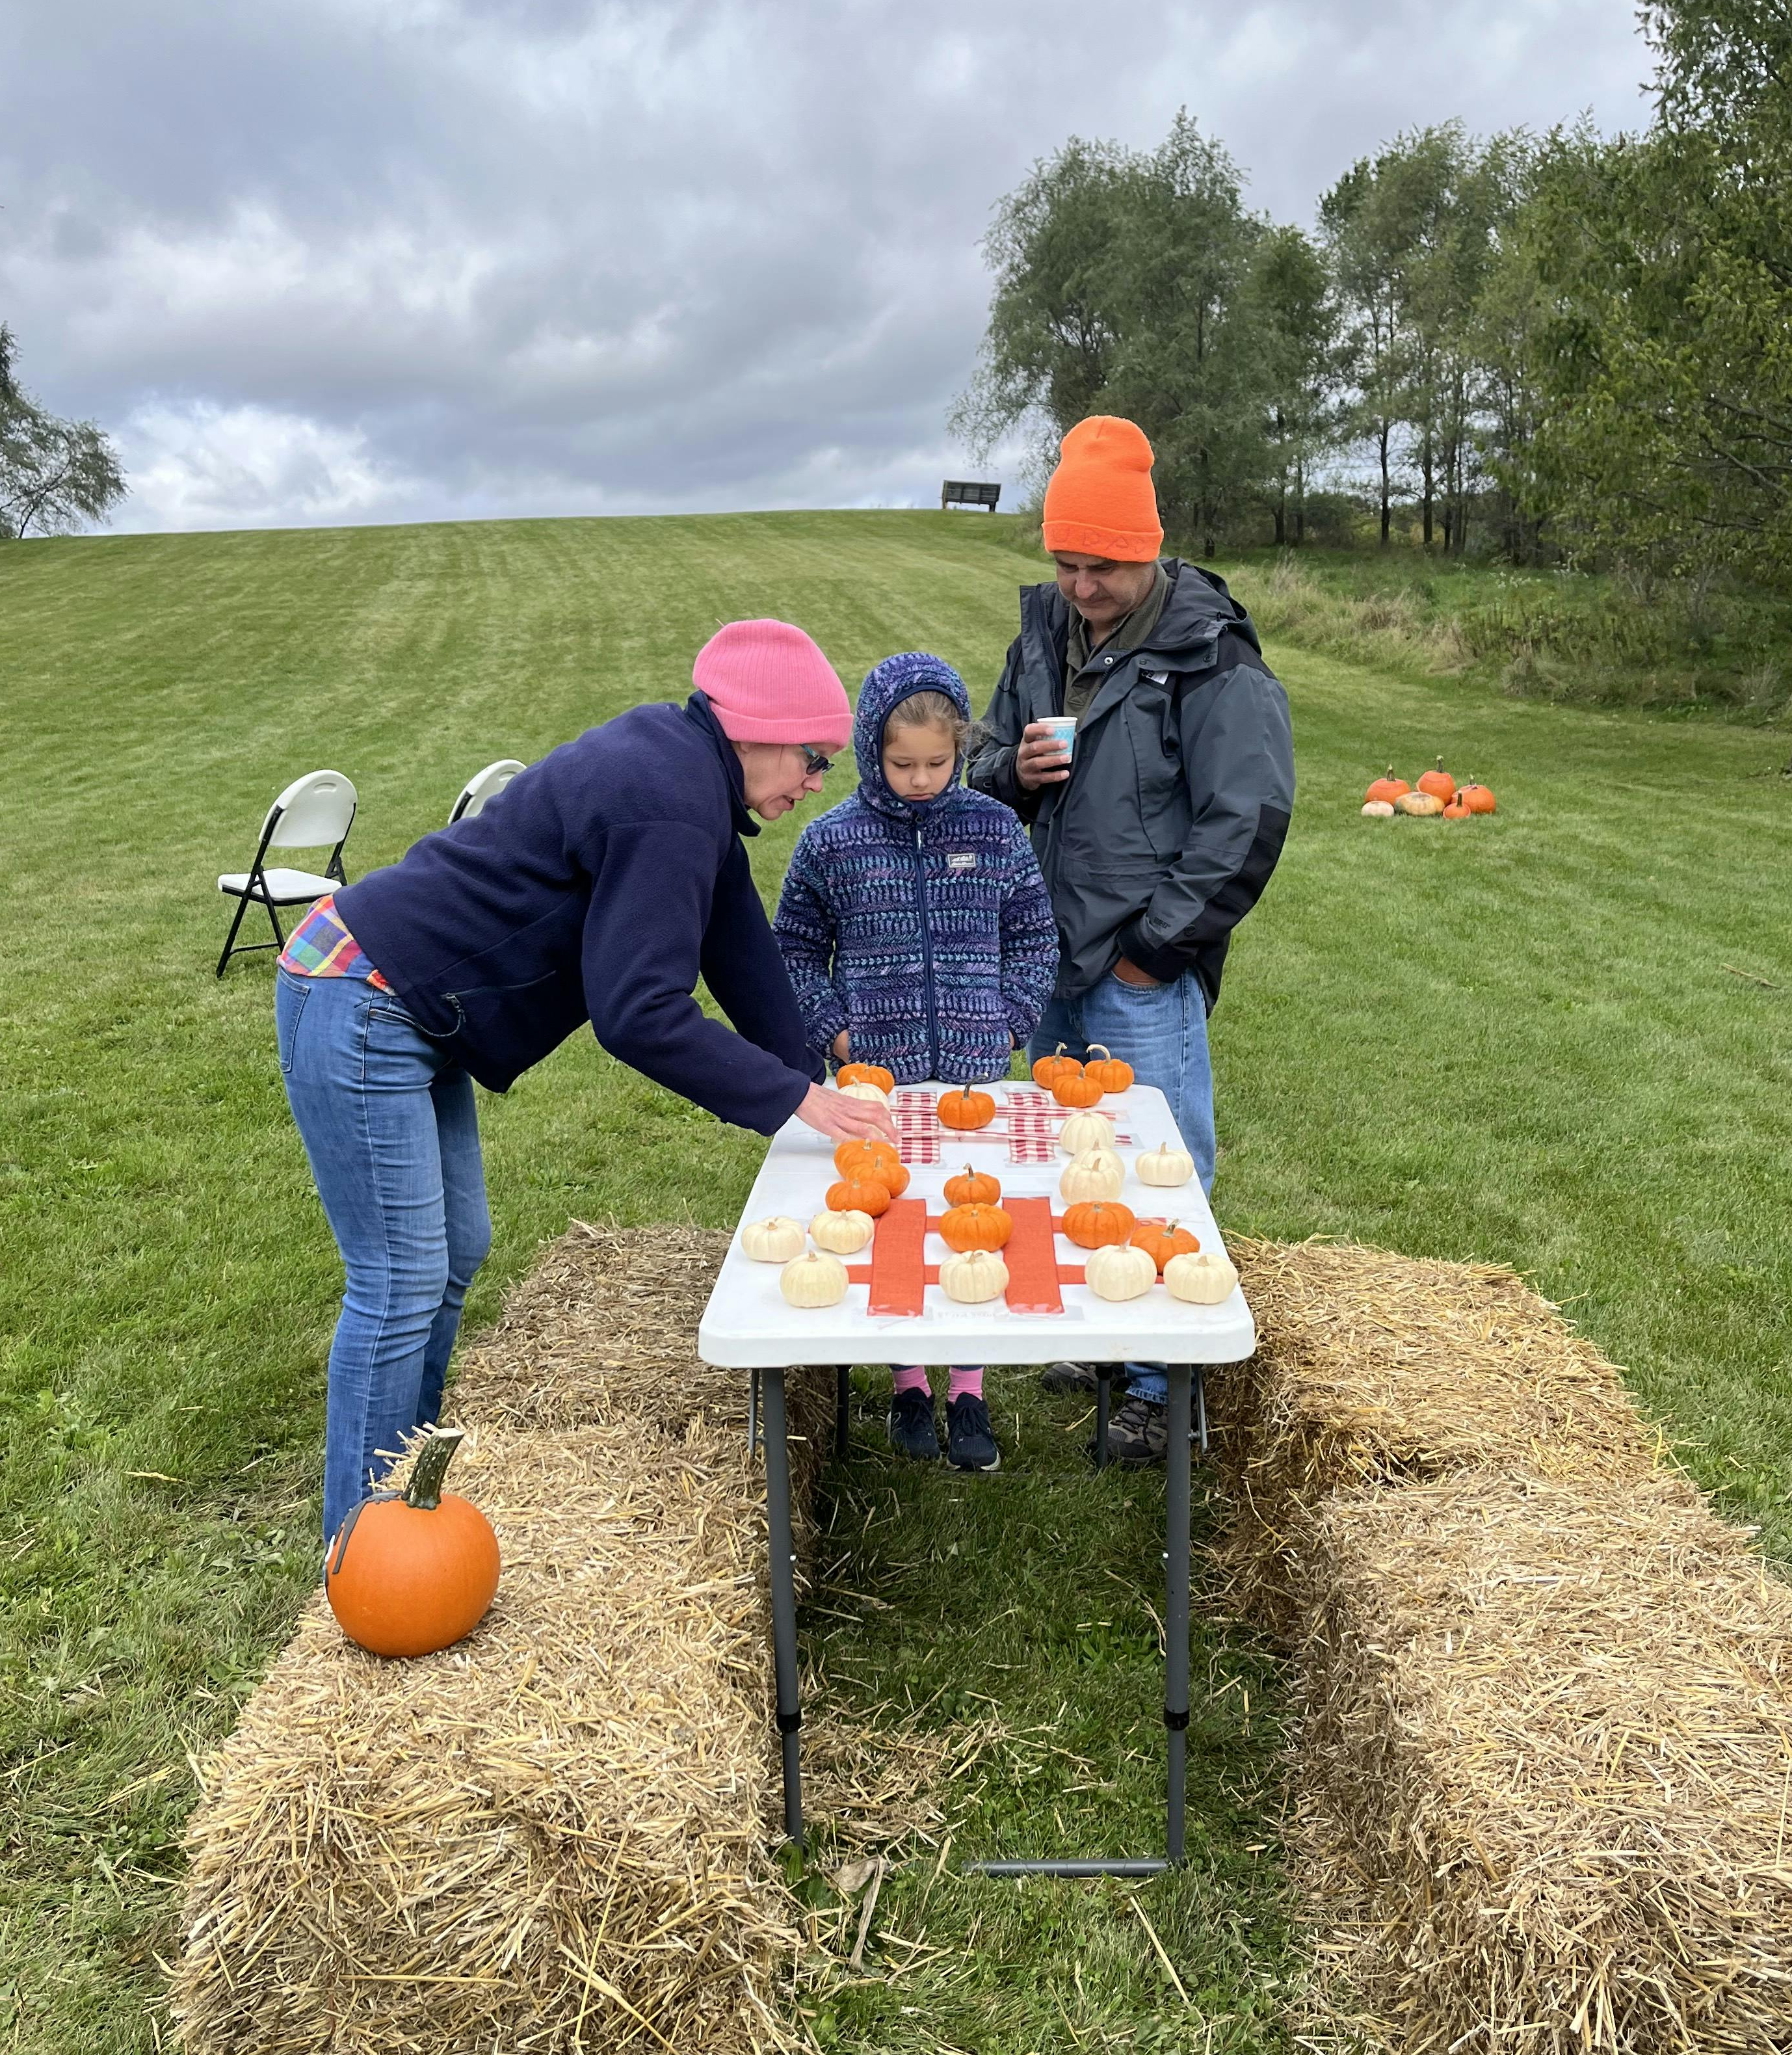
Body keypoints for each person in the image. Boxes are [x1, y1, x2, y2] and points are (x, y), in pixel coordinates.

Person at [274, 618, 897, 1543]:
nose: (814, 782)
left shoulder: (691, 783)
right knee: (400, 1277)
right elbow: (637, 1012)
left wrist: (813, 1075)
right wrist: (795, 1101)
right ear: (755, 731)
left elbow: (740, 950)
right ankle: (360, 1544)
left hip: (400, 997)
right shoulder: (671, 798)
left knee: (457, 1250)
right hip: (362, 993)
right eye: (812, 759)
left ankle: (407, 1473)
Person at [971, 416, 1295, 1466]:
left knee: (1159, 1167)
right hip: (1047, 960)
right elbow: (979, 762)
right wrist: (1009, 771)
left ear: (1146, 548)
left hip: (1134, 966)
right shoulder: (1040, 639)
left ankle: (1165, 1386)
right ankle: (1100, 1329)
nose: (1080, 584)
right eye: (1065, 563)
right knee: (1066, 1157)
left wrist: (1154, 951)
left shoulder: (1209, 654)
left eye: (1100, 565)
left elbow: (1244, 818)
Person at [774, 651, 1058, 1473]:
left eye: (939, 763)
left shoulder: (994, 829)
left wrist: (1010, 1017)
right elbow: (791, 948)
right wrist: (834, 1034)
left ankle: (967, 1388)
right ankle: (906, 1380)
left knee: (968, 1228)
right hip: (875, 1089)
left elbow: (1035, 935)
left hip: (973, 1080)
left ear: (960, 751)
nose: (923, 779)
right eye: (903, 765)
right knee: (892, 1223)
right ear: (870, 750)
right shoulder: (832, 842)